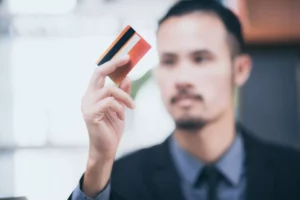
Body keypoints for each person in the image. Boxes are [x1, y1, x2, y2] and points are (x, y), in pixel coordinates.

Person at [69, 1, 300, 200]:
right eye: (169, 61)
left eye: (200, 59)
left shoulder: (292, 173)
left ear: (240, 69)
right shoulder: (117, 180)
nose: (181, 79)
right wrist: (98, 162)